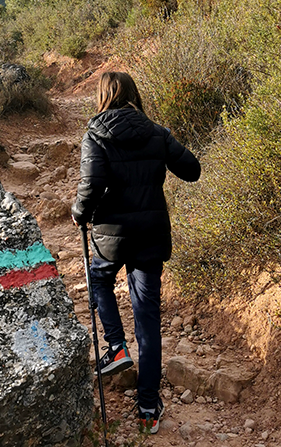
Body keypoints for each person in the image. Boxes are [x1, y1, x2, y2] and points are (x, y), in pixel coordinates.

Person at [71, 71, 201, 435]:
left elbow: (92, 185)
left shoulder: (95, 133)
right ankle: (147, 406)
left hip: (112, 235)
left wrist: (79, 212)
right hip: (150, 235)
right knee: (147, 318)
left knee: (99, 278)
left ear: (102, 96)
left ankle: (115, 346)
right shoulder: (157, 133)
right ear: (133, 95)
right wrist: (164, 148)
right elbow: (192, 170)